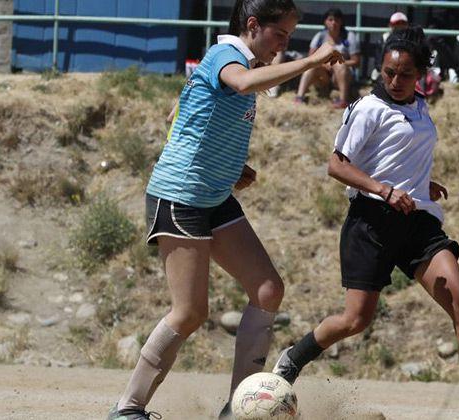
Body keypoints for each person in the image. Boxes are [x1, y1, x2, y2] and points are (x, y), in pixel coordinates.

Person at [272, 26, 459, 420]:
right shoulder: (367, 109)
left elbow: (397, 153)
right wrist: (384, 188)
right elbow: (337, 165)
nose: (395, 81)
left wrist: (420, 181)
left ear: (421, 75)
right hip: (371, 223)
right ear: (381, 69)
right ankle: (291, 360)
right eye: (389, 73)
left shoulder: (420, 105)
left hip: (416, 220)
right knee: (355, 319)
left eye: (405, 75)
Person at [106, 1, 343, 419]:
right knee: (191, 311)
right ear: (253, 25)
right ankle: (127, 409)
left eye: (291, 38)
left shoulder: (238, 63)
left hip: (213, 195)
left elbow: (181, 115)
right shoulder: (226, 56)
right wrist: (312, 59)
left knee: (268, 289)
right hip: (181, 196)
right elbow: (243, 83)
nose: (284, 46)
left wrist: (233, 165)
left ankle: (239, 410)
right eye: (280, 35)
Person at [295, 8, 361, 109]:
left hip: (341, 76)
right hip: (324, 76)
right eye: (330, 20)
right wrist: (323, 64)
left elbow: (356, 62)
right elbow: (310, 59)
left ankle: (343, 100)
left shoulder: (349, 36)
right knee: (310, 67)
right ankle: (300, 97)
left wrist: (336, 63)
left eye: (336, 20)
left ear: (341, 22)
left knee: (339, 64)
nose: (333, 23)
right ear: (325, 22)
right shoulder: (320, 36)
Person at [427, 0, 459, 82]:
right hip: (436, 7)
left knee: (448, 43)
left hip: (453, 8)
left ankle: (444, 73)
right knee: (433, 39)